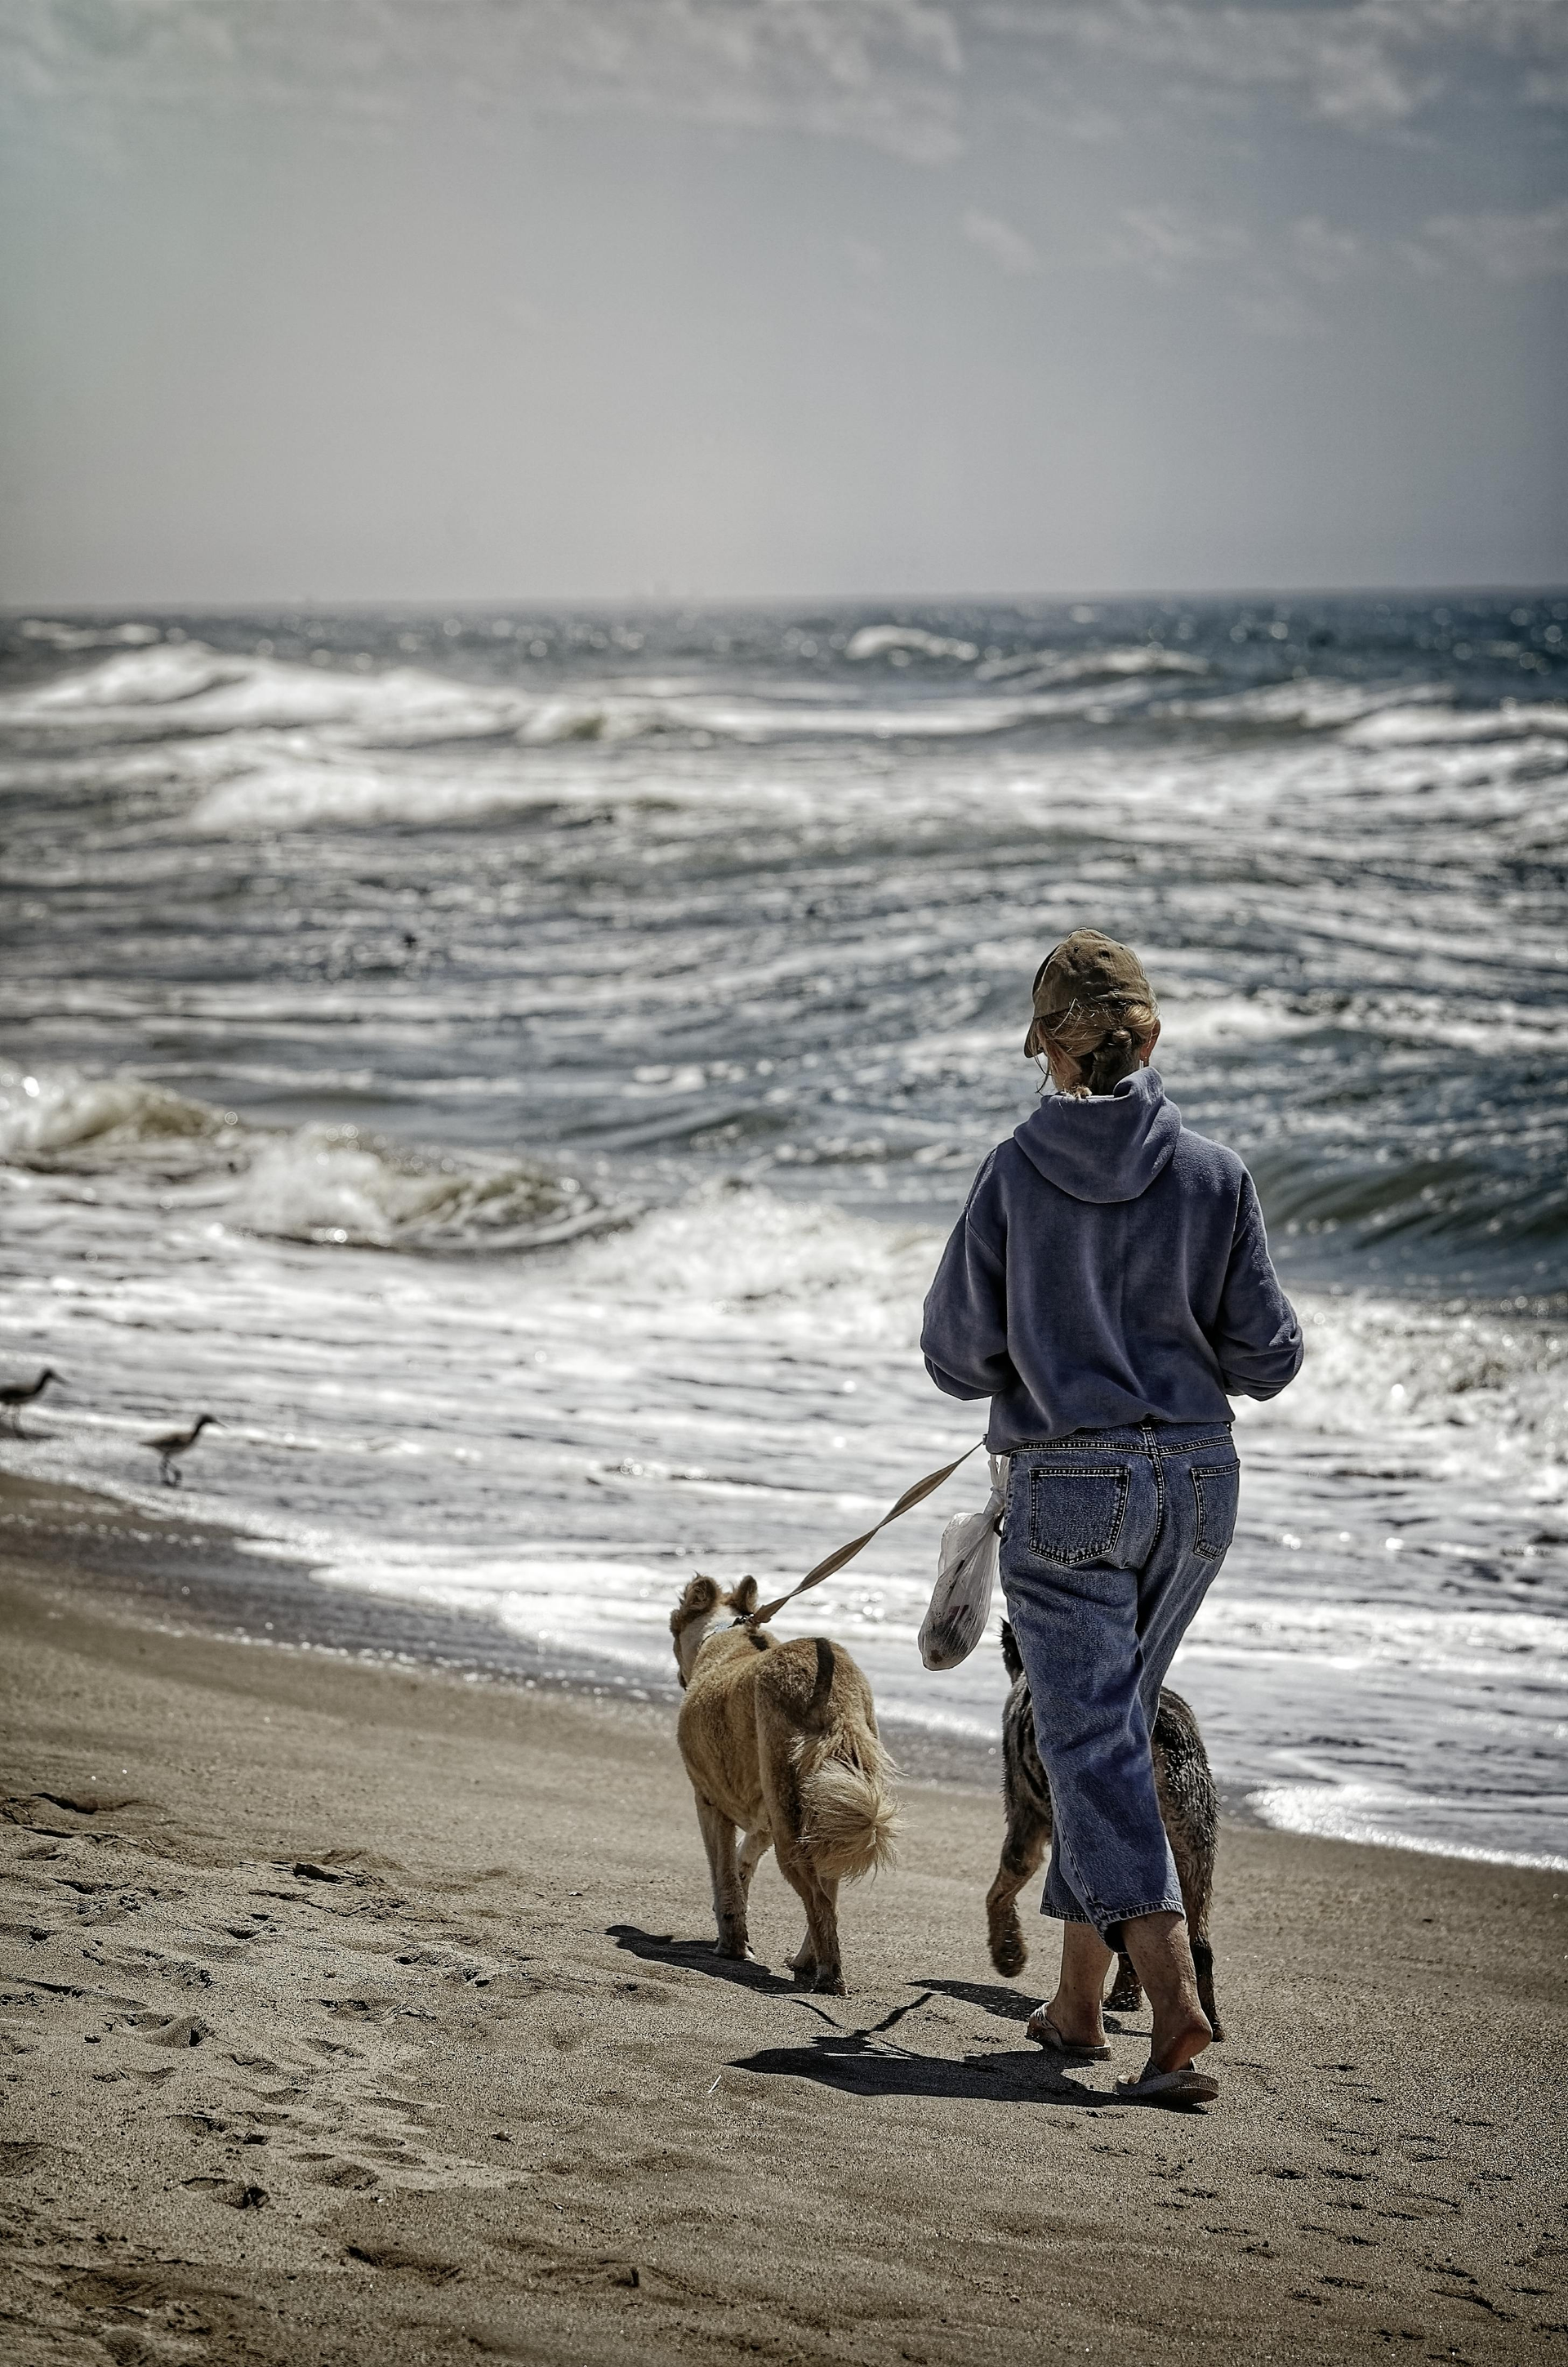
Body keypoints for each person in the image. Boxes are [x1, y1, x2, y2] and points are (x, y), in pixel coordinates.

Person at [920, 930, 1303, 2104]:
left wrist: (1041, 1346)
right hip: (1196, 1486)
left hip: (1068, 1484)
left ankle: (1174, 2004)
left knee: (1086, 1741)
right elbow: (1271, 1357)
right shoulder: (1217, 1174)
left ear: (1049, 1049)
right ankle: (1079, 2001)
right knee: (1112, 1728)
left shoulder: (1011, 1171)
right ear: (1151, 1035)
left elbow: (951, 1354)